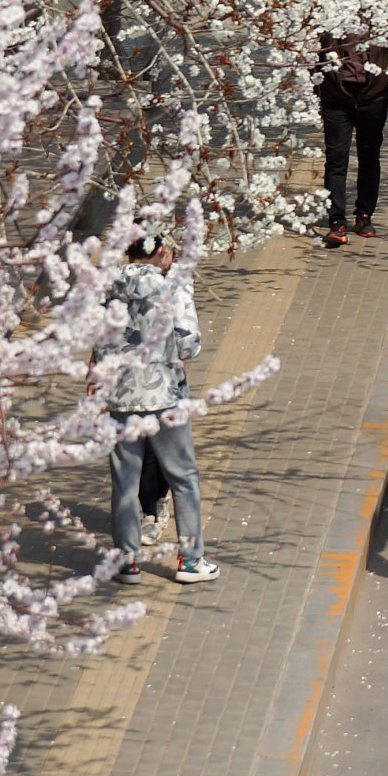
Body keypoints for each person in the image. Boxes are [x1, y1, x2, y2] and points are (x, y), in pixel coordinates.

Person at [95, 234, 216, 586]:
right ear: (162, 253)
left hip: (120, 397)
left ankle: (128, 562)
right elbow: (189, 345)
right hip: (165, 398)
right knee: (183, 477)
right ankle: (190, 562)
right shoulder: (171, 288)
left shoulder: (106, 286)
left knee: (124, 482)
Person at [315, 24, 388, 247]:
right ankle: (336, 220)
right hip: (336, 97)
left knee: (369, 157)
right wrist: (314, 94)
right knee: (336, 159)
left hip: (373, 97)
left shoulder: (386, 14)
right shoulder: (328, 10)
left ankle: (364, 214)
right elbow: (311, 54)